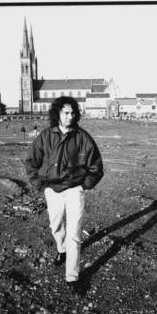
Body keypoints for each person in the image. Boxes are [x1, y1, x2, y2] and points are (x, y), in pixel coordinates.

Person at [24, 96, 104, 292]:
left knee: (74, 233)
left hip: (75, 189)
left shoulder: (83, 137)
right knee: (56, 225)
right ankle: (61, 250)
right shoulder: (45, 136)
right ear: (57, 113)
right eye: (66, 113)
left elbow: (96, 166)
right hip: (52, 189)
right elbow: (31, 162)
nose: (70, 116)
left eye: (73, 113)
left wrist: (83, 186)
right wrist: (40, 184)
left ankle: (72, 276)